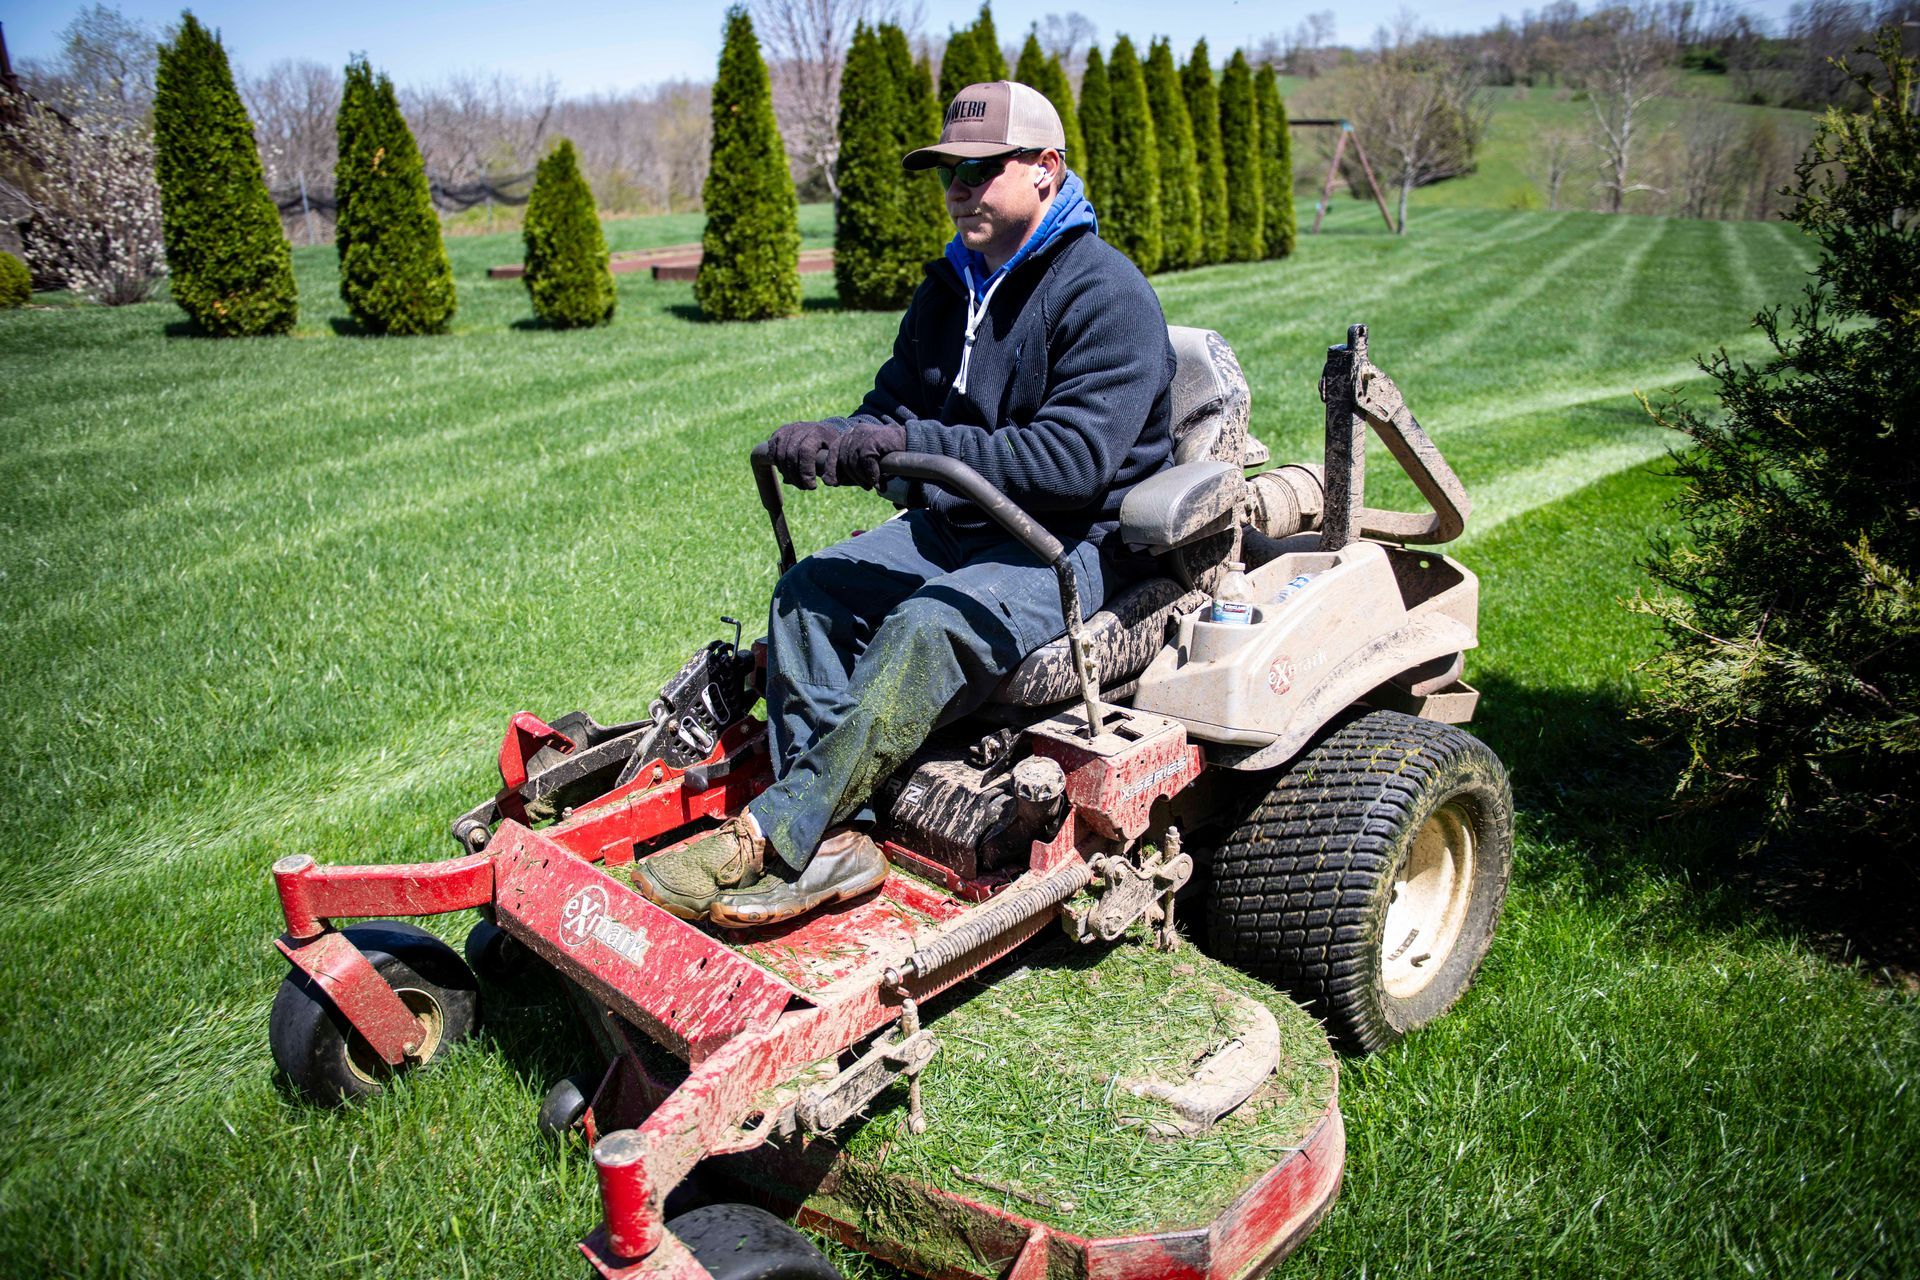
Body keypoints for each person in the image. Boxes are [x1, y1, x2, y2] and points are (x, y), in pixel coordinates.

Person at [633, 81, 1175, 929]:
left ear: (1045, 169)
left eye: (980, 169)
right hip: (958, 524)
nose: (959, 189)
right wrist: (840, 437)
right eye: (948, 173)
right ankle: (840, 840)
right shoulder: (950, 287)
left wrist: (910, 453)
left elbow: (1073, 464)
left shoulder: (1107, 296)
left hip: (1062, 546)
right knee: (810, 591)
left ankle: (768, 837)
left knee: (923, 628)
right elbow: (896, 409)